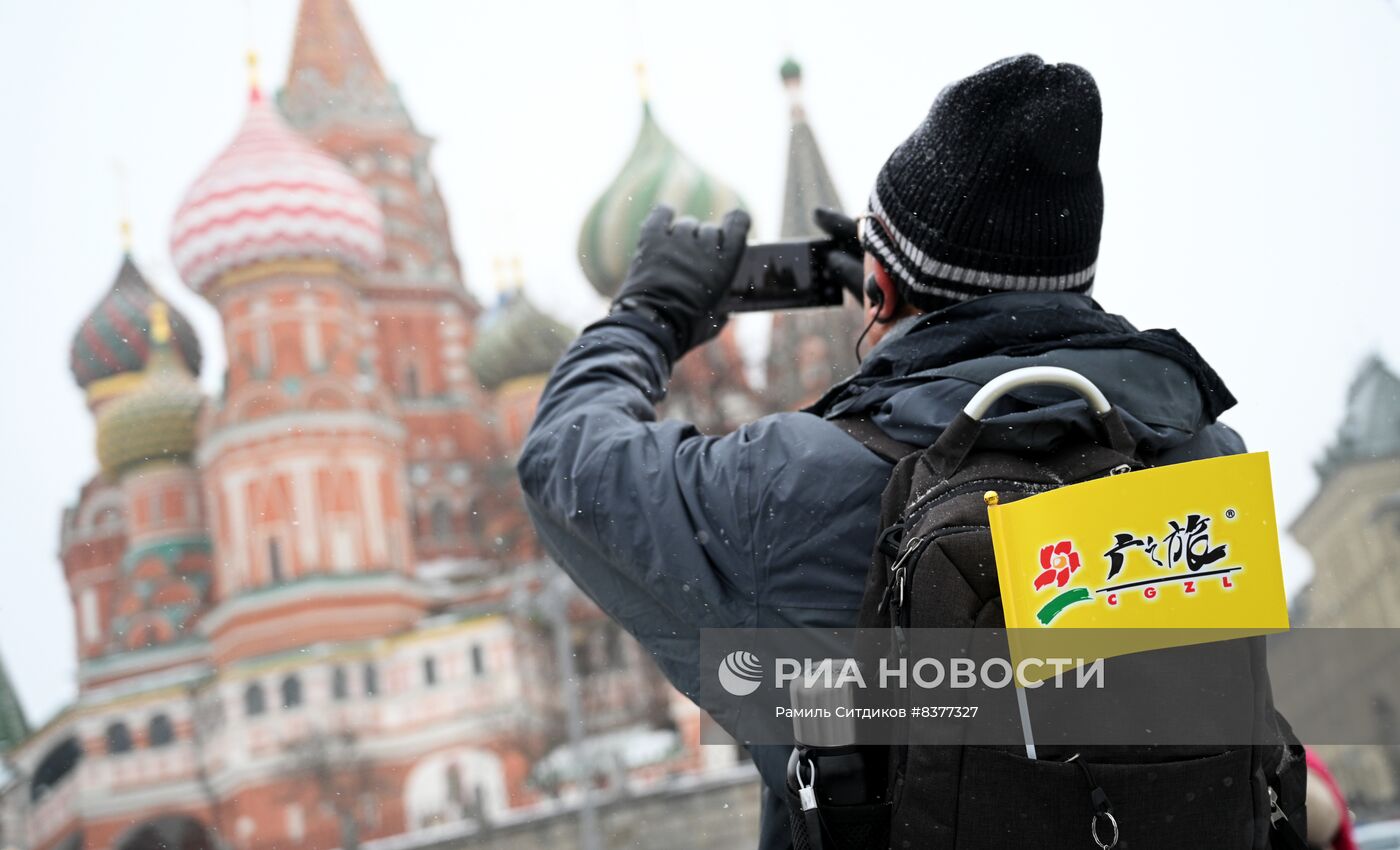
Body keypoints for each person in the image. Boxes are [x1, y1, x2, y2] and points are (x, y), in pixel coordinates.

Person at [519, 54, 1244, 849]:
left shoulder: (795, 490)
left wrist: (649, 313)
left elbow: (565, 458)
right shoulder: (1204, 457)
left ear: (882, 291)